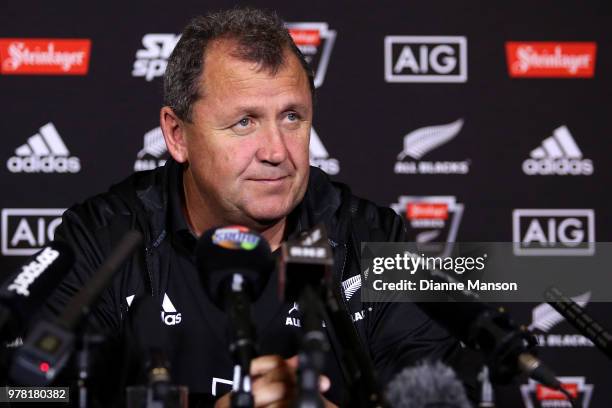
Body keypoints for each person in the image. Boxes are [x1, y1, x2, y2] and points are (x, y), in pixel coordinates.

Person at [43, 8, 465, 407]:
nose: (277, 151)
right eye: (244, 122)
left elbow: (444, 395)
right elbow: (27, 394)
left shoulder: (372, 237)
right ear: (177, 135)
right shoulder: (103, 239)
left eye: (292, 117)